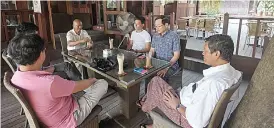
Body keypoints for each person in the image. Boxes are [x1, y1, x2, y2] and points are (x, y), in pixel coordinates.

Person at [138, 34, 242, 128]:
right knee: (158, 83)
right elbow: (231, 97)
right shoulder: (233, 72)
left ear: (217, 54)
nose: (202, 53)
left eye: (205, 51)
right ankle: (148, 106)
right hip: (186, 100)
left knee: (155, 82)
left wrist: (177, 105)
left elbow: (197, 123)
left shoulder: (214, 84)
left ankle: (144, 107)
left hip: (184, 115)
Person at [8, 34, 108, 128]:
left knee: (65, 71)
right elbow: (79, 86)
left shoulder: (16, 77)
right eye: (44, 50)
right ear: (40, 55)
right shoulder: (50, 83)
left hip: (47, 117)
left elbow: (38, 76)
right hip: (67, 120)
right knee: (102, 83)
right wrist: (92, 80)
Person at [150, 16, 181, 82]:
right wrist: (148, 59)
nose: (157, 29)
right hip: (158, 64)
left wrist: (166, 68)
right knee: (147, 74)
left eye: (159, 26)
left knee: (159, 77)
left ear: (166, 25)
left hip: (170, 66)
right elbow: (152, 50)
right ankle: (149, 92)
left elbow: (176, 56)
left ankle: (160, 92)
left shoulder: (174, 36)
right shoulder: (155, 36)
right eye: (155, 26)